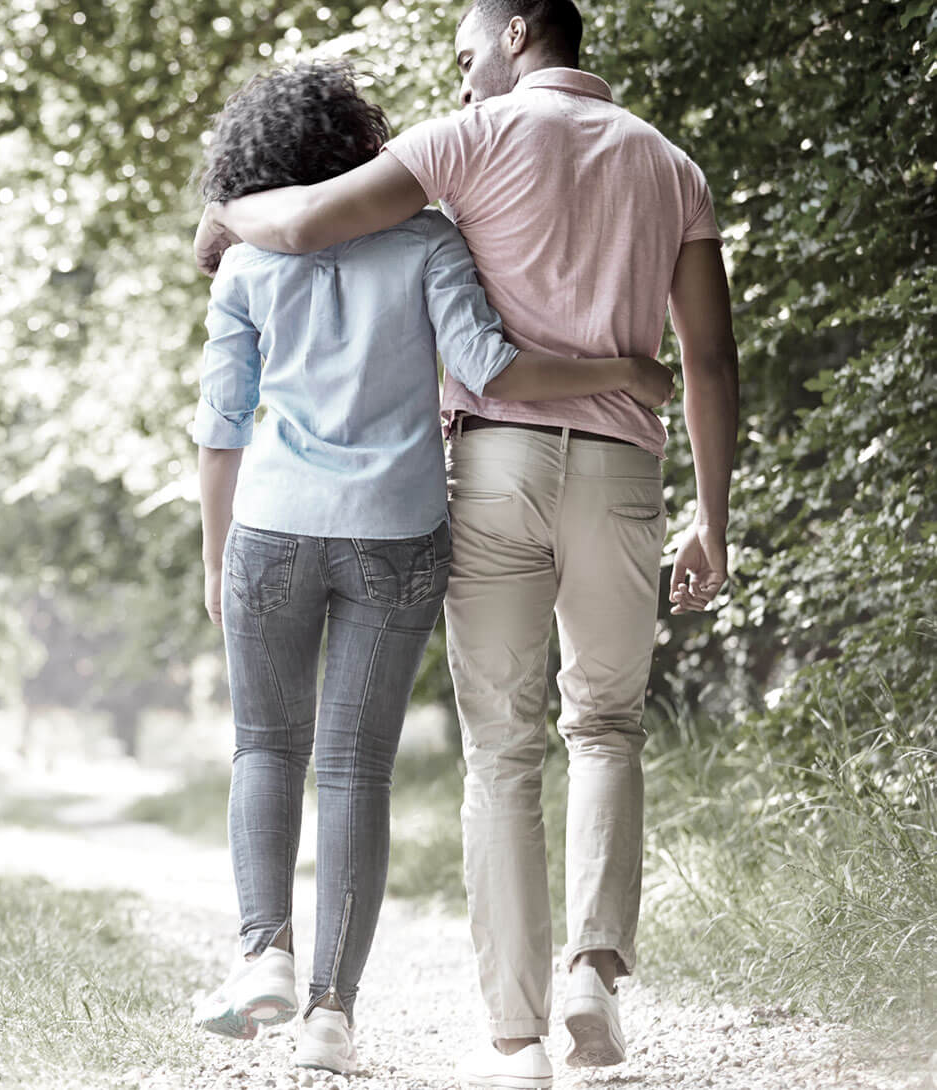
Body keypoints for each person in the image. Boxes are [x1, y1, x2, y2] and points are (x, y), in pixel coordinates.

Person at [192, 3, 741, 1088]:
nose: (458, 80)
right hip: (605, 473)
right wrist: (712, 517)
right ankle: (589, 965)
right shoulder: (669, 165)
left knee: (496, 748)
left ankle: (514, 1035)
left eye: (465, 54)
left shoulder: (466, 143)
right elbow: (710, 361)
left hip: (479, 468)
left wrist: (221, 219)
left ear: (521, 31)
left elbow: (302, 240)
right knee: (607, 725)